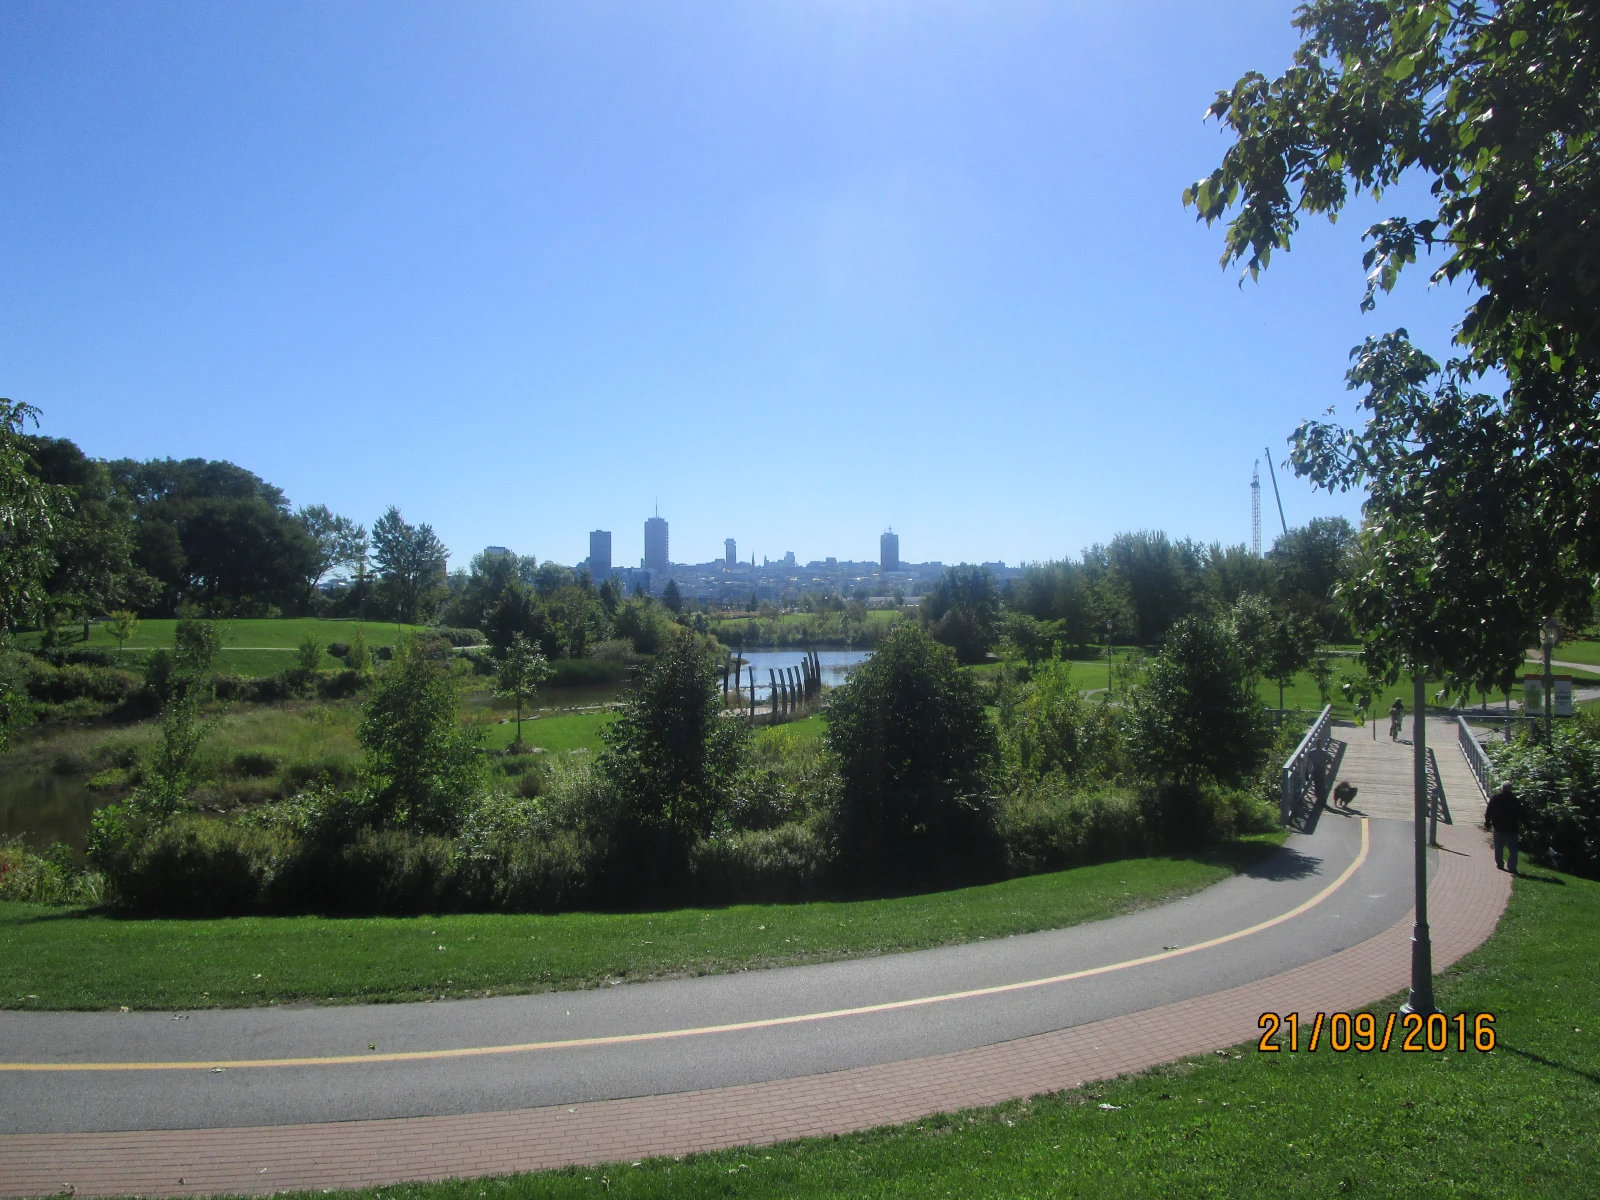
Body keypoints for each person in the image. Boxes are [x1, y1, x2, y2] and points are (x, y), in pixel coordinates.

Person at [1484, 781, 1521, 874]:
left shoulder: (1496, 798)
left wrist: (1487, 822)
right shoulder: (1514, 800)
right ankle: (1512, 866)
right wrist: (1527, 825)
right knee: (1513, 848)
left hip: (1498, 827)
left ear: (1502, 788)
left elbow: (1489, 811)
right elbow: (1522, 813)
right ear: (1511, 789)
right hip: (1512, 828)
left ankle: (1500, 864)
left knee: (1499, 847)